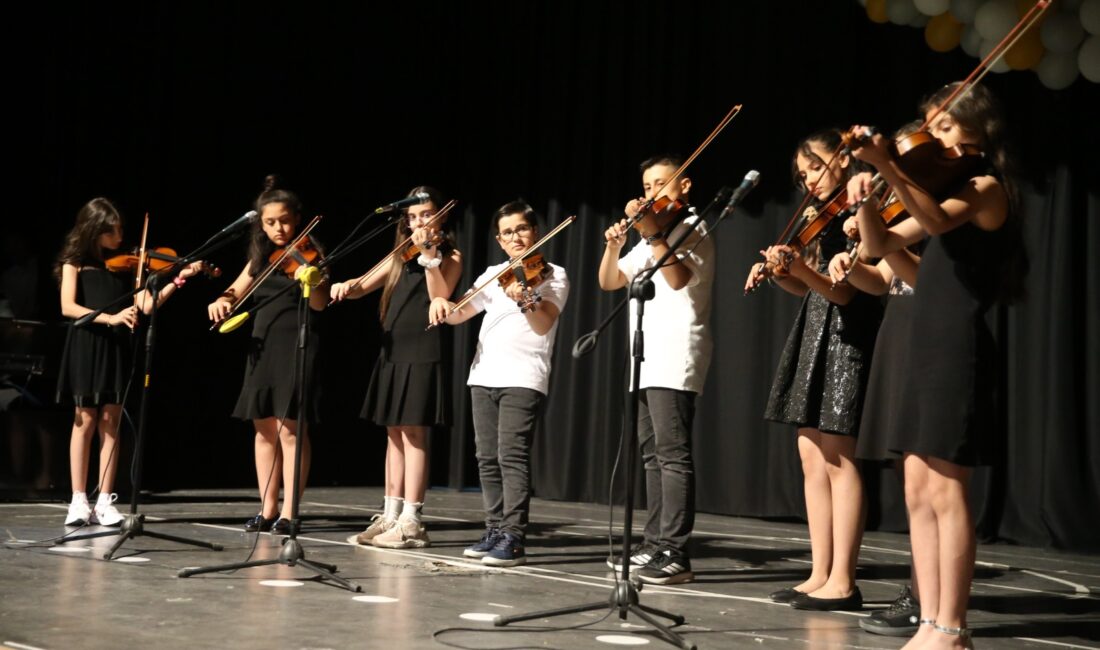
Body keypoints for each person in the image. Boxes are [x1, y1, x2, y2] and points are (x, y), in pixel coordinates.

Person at [847, 82, 1026, 649]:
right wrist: (867, 202)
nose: (937, 138)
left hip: (957, 347)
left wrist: (889, 167)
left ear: (977, 130)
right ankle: (929, 620)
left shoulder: (984, 187)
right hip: (920, 344)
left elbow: (941, 223)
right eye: (932, 126)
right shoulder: (936, 190)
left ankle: (952, 627)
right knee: (917, 490)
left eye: (946, 126)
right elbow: (882, 248)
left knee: (946, 492)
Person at [745, 130, 881, 610]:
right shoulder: (819, 218)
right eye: (802, 174)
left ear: (842, 161)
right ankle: (819, 571)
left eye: (816, 167)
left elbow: (845, 292)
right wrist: (784, 273)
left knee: (839, 456)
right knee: (810, 453)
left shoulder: (863, 213)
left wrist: (800, 269)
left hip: (849, 334)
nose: (808, 179)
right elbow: (810, 289)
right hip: (816, 328)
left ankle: (843, 580)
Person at [429, 200, 569, 567]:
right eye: (507, 232)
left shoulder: (553, 274)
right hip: (484, 375)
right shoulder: (493, 274)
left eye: (521, 229)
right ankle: (493, 528)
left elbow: (543, 324)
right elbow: (461, 314)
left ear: (535, 232)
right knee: (486, 459)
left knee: (512, 457)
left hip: (524, 377)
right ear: (499, 240)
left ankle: (514, 535)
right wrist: (443, 302)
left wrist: (526, 298)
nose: (515, 237)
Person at [598, 154, 715, 585]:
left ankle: (676, 551)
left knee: (672, 455)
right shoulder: (651, 237)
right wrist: (616, 244)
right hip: (645, 357)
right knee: (651, 456)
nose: (651, 194)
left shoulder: (693, 227)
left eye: (661, 184)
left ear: (684, 187)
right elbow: (610, 281)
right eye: (646, 186)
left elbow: (679, 278)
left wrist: (652, 233)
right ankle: (652, 543)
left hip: (677, 353)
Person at [829, 120, 926, 637]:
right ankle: (917, 591)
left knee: (928, 481)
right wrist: (849, 267)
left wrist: (873, 232)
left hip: (928, 337)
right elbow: (883, 281)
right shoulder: (904, 213)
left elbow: (916, 274)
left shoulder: (936, 211)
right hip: (898, 335)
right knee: (906, 477)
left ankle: (924, 596)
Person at [330, 186, 463, 549]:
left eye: (427, 214)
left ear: (441, 216)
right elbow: (362, 286)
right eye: (414, 215)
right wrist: (345, 285)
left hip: (423, 346)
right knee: (393, 432)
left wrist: (429, 255)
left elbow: (440, 296)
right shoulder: (399, 254)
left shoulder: (450, 256)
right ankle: (390, 513)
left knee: (415, 433)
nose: (420, 221)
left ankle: (412, 519)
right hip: (394, 348)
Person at [56, 197, 202, 526]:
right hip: (87, 342)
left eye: (121, 228)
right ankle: (79, 499)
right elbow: (68, 307)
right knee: (84, 422)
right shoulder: (75, 260)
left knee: (111, 421)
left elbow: (147, 306)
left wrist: (177, 281)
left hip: (115, 345)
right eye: (113, 230)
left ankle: (105, 501)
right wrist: (111, 318)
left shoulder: (129, 266)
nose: (120, 236)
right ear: (94, 230)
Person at [207, 176, 327, 535]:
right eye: (271, 222)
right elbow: (236, 288)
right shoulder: (261, 257)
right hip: (263, 344)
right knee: (263, 430)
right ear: (261, 223)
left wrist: (313, 280)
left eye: (285, 220)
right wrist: (223, 300)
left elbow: (319, 305)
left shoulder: (310, 254)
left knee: (290, 430)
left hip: (297, 345)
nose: (279, 228)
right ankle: (268, 507)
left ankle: (291, 511)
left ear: (297, 218)